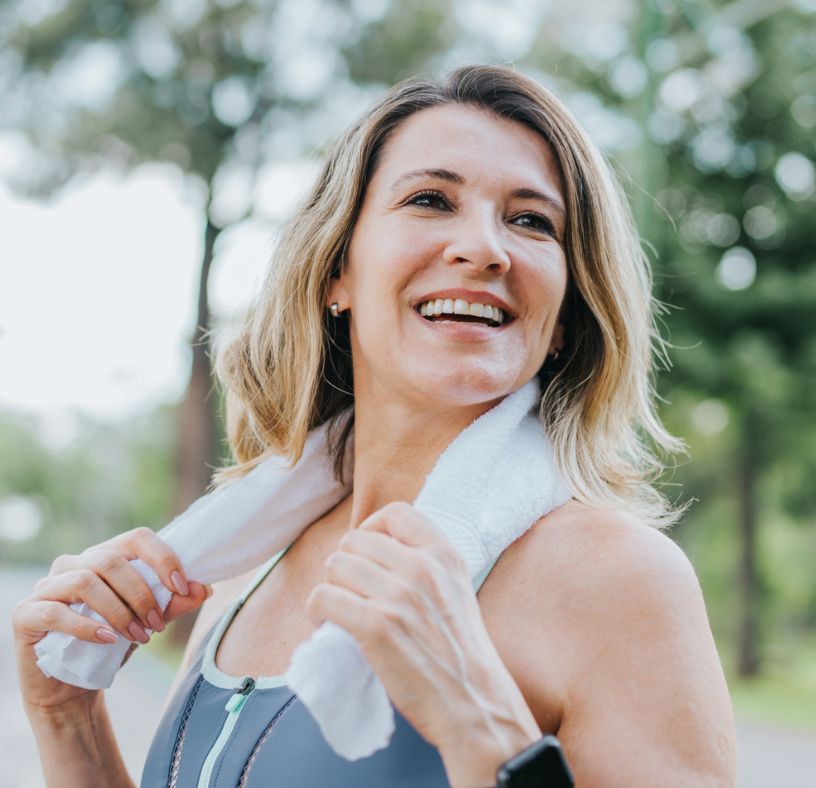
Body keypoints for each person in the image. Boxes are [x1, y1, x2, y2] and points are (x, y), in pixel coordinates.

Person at [13, 64, 736, 787]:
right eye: (430, 200)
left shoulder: (620, 580)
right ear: (338, 272)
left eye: (530, 220)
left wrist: (477, 717)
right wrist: (65, 716)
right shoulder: (243, 569)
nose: (485, 248)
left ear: (562, 315)